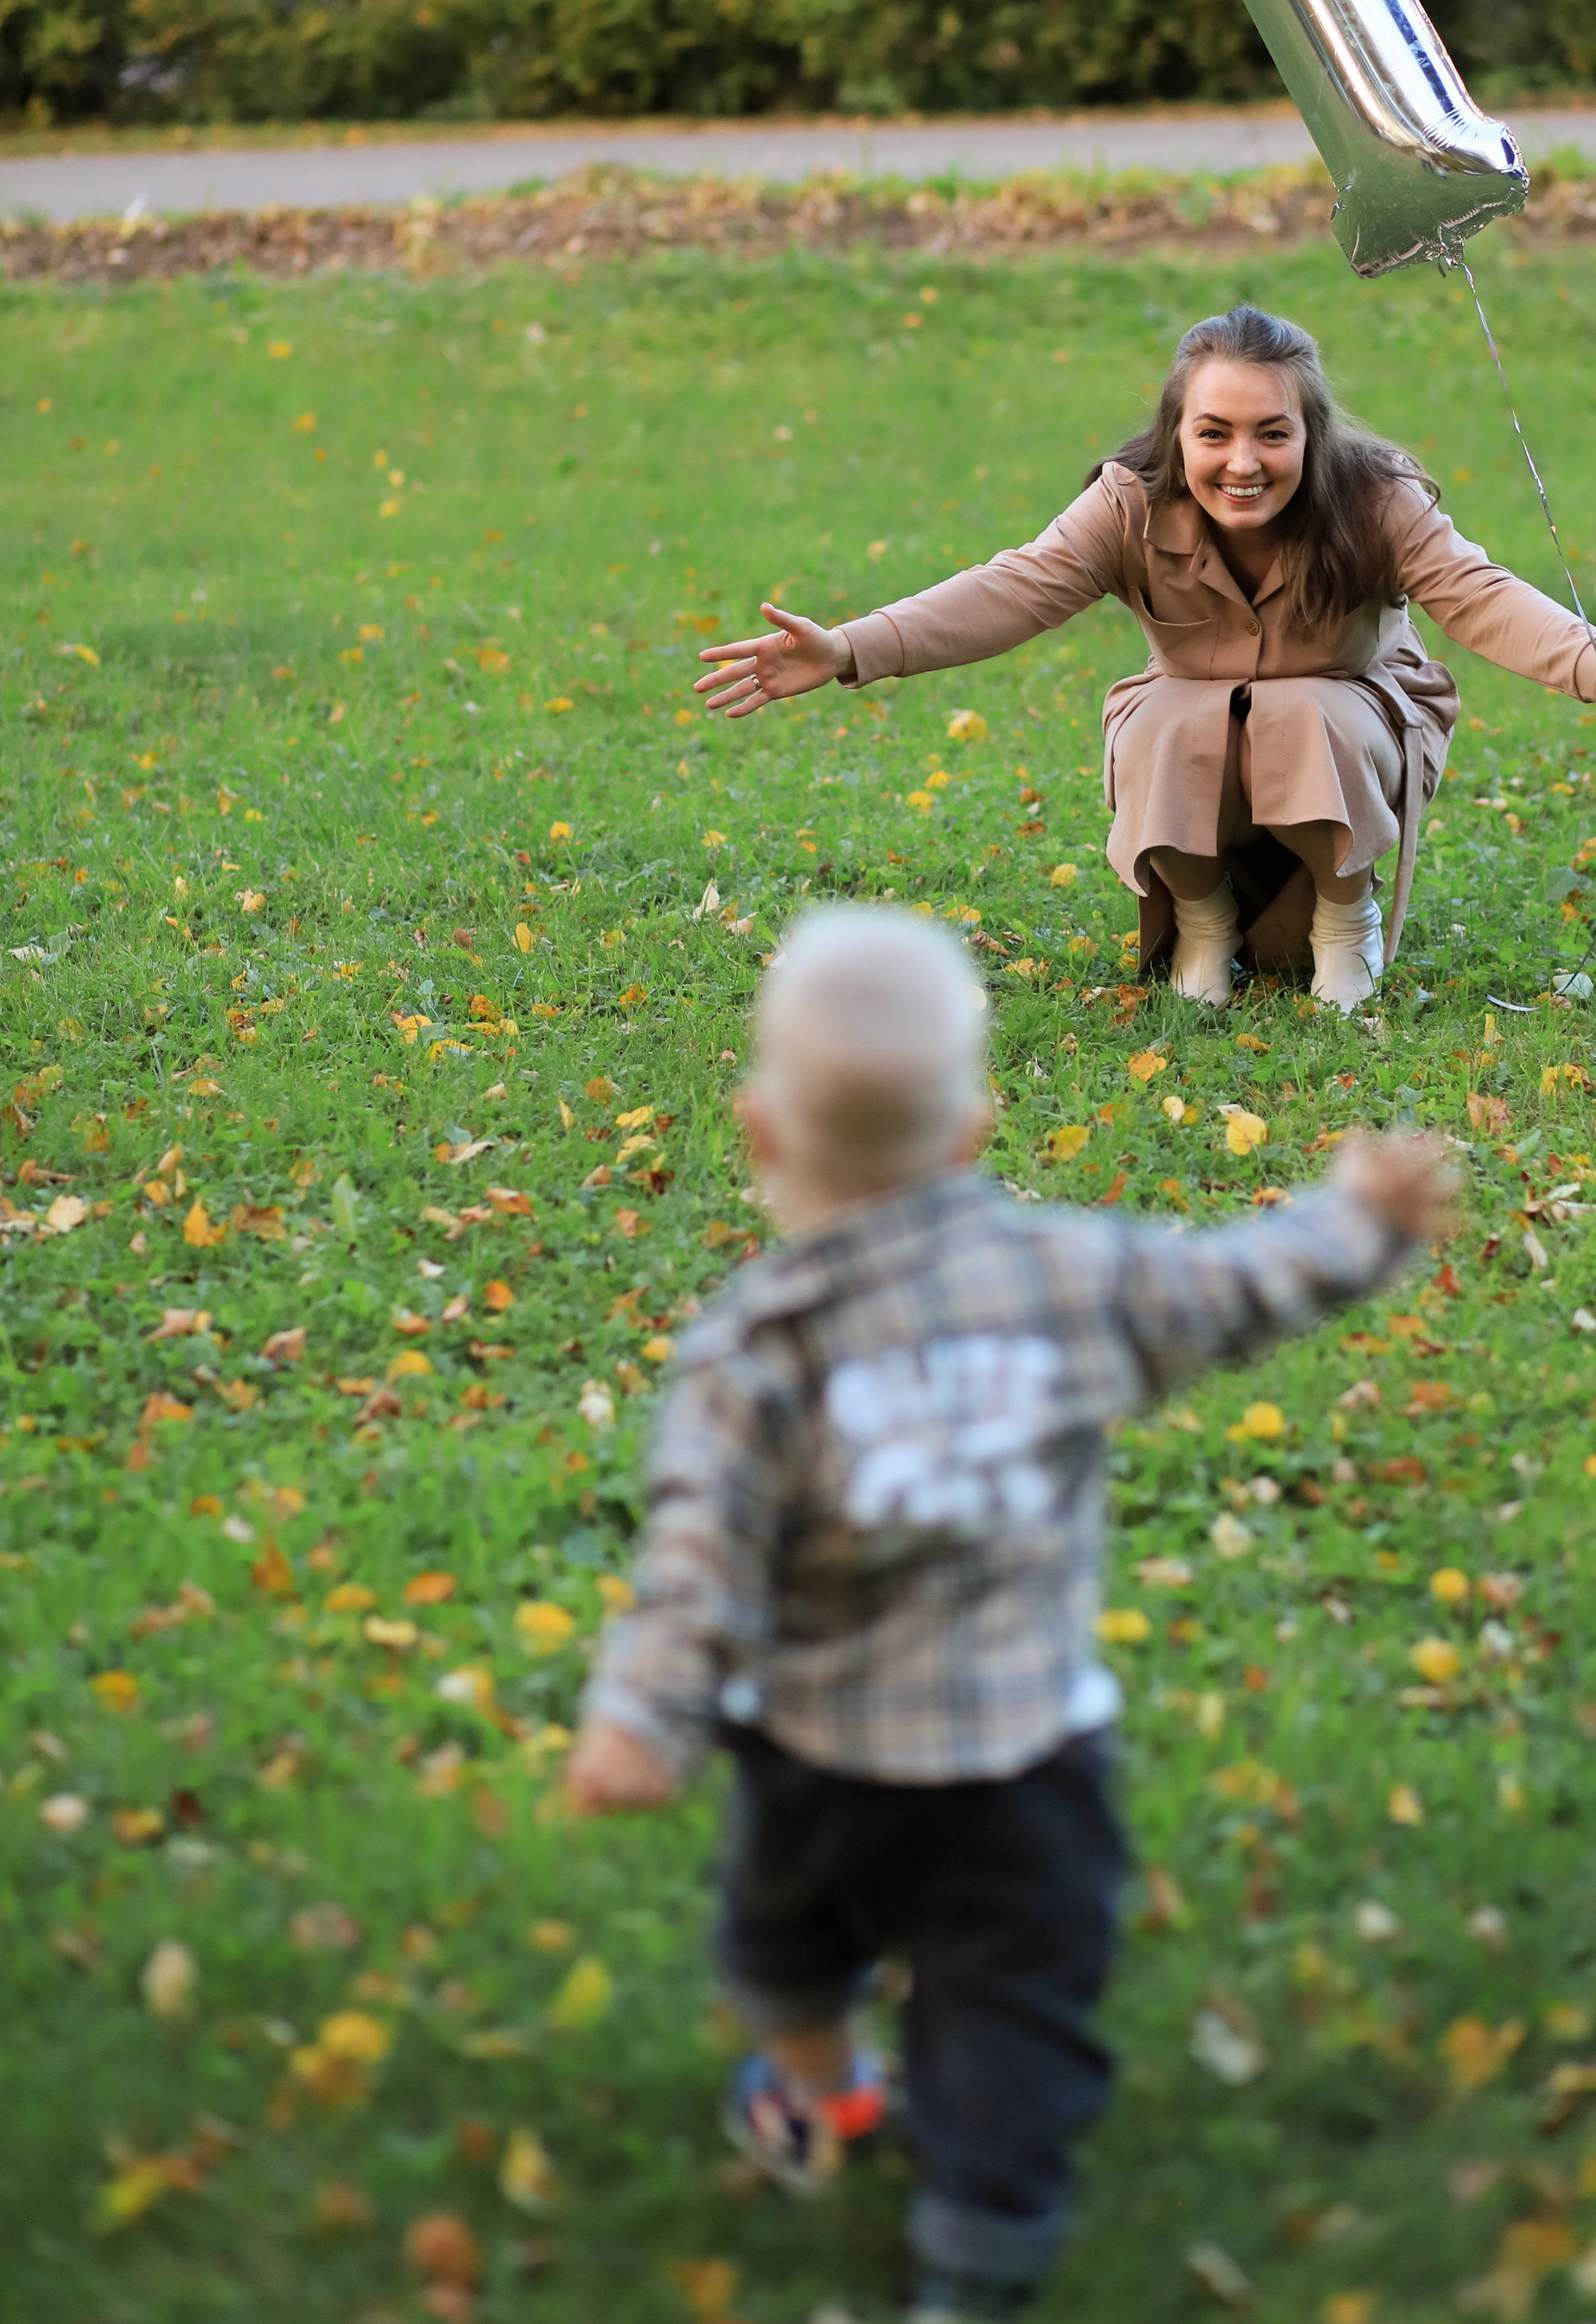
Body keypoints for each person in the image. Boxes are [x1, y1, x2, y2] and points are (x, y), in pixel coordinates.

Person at [567, 905, 1459, 2324]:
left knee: (785, 1947)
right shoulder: (1070, 1278)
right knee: (1009, 2004)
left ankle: (819, 2095)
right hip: (1028, 1762)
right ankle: (982, 2253)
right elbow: (1235, 1286)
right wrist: (1358, 1227)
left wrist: (640, 1722)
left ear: (760, 1133)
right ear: (977, 1125)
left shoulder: (751, 1350)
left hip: (819, 1762)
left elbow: (701, 1567)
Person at [694, 303, 1596, 1013]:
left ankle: (1346, 918)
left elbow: (1482, 599)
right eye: (1214, 433)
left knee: (1302, 708)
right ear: (1178, 436)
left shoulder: (1376, 501)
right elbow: (1010, 589)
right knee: (1167, 712)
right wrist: (847, 651)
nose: (1243, 462)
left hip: (1355, 720)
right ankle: (1204, 920)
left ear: (1312, 435)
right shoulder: (1127, 505)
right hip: (1200, 734)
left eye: (1272, 433)